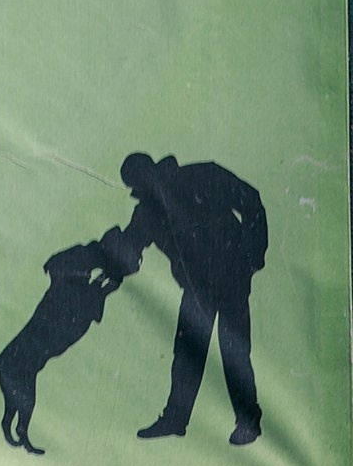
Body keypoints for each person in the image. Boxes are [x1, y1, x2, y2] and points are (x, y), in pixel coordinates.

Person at [113, 152, 266, 445]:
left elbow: (251, 200)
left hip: (233, 277)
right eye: (138, 185)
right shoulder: (147, 212)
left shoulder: (203, 176)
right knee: (186, 353)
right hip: (196, 287)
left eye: (144, 178)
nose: (145, 187)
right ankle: (175, 420)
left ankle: (248, 422)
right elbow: (129, 247)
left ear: (155, 169)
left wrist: (253, 256)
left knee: (234, 349)